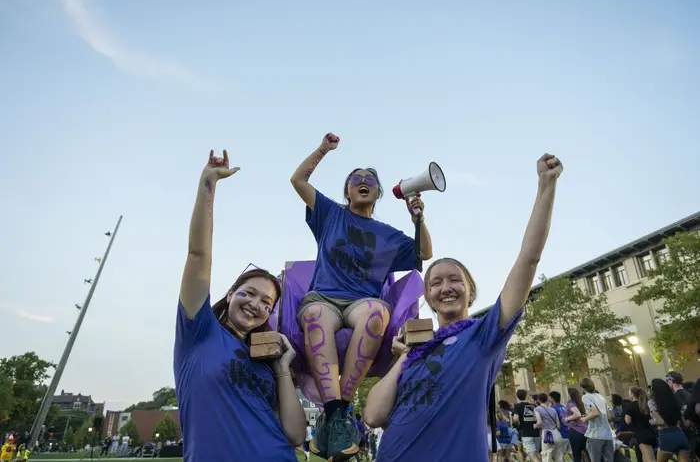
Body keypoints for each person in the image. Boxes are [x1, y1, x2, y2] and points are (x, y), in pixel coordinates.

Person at [363, 153, 564, 462]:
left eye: (455, 280)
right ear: (428, 297)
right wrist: (404, 357)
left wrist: (546, 187)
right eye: (436, 283)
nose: (446, 288)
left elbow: (528, 259)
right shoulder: (417, 350)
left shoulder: (484, 334)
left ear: (470, 291)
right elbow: (374, 415)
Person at [290, 133, 434, 460]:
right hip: (323, 298)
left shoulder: (388, 234)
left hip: (362, 303)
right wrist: (323, 150)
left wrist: (418, 220)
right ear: (347, 191)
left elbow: (424, 252)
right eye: (356, 179)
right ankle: (339, 416)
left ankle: (335, 415)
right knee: (315, 317)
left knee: (375, 315)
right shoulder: (330, 214)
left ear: (380, 193)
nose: (363, 182)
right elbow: (298, 180)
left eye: (370, 180)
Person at [176, 150, 306, 461]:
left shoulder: (265, 362)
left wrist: (282, 369)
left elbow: (295, 434)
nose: (255, 305)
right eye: (248, 293)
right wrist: (208, 185)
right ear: (231, 293)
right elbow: (197, 255)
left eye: (267, 303)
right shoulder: (199, 331)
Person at [649, 378, 692, 462]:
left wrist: (650, 422)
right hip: (680, 435)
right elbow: (686, 424)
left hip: (666, 436)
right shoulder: (674, 400)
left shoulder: (653, 402)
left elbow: (660, 422)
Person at [578, 378, 614, 462]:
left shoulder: (586, 397)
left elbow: (595, 412)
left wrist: (585, 418)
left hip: (595, 433)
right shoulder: (600, 396)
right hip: (607, 433)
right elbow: (610, 415)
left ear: (582, 387)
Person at [534, 393, 566, 462]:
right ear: (548, 399)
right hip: (557, 433)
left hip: (547, 434)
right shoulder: (553, 410)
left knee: (546, 455)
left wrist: (534, 426)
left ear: (538, 400)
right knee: (559, 455)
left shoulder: (537, 409)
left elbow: (539, 422)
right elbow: (558, 425)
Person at [514, 389, 541, 461]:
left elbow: (515, 419)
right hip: (536, 432)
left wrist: (518, 424)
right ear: (526, 396)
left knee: (532, 455)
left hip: (526, 433)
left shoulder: (517, 406)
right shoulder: (533, 405)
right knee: (538, 453)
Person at [563, 387, 588, 462]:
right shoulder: (580, 404)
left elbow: (577, 414)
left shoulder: (571, 403)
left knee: (576, 455)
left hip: (575, 430)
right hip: (585, 430)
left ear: (570, 395)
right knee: (588, 453)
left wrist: (567, 419)